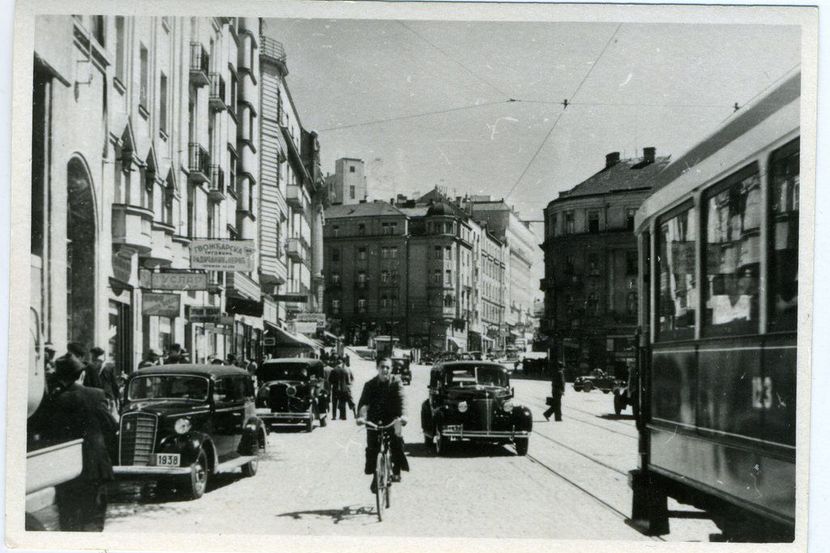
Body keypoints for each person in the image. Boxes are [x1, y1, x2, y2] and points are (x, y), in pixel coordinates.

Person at [30, 354, 116, 531]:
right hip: (94, 467)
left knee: (69, 519)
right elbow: (111, 426)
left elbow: (41, 431)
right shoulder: (96, 395)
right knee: (92, 519)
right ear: (81, 374)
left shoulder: (52, 400)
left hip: (65, 469)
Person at [355, 357, 409, 493]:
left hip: (393, 419)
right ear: (377, 368)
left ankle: (396, 469)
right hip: (374, 420)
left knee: (397, 440)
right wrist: (361, 417)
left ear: (391, 369)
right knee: (372, 448)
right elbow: (364, 403)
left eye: (387, 367)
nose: (385, 370)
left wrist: (404, 415)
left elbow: (402, 399)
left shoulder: (396, 382)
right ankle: (375, 475)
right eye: (382, 367)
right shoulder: (370, 385)